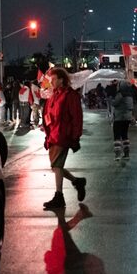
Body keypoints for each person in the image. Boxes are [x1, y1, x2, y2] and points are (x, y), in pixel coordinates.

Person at [42, 68, 86, 210]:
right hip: (53, 135)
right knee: (56, 167)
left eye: (54, 79)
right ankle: (77, 182)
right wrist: (47, 133)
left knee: (57, 166)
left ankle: (59, 196)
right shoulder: (53, 95)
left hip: (63, 135)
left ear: (61, 79)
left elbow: (76, 116)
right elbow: (48, 115)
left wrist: (75, 136)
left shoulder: (70, 95)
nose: (52, 82)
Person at [111, 79, 135, 160]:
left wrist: (111, 100)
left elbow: (115, 103)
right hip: (127, 118)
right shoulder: (130, 95)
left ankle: (117, 155)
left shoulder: (120, 94)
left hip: (119, 118)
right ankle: (126, 154)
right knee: (125, 135)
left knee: (117, 136)